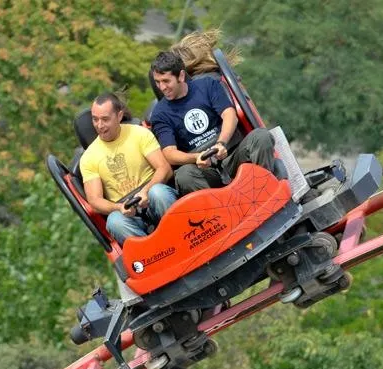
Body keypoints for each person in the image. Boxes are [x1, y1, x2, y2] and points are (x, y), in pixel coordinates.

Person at [149, 51, 279, 197]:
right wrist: (196, 157)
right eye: (157, 82)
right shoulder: (160, 113)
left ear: (181, 76)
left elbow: (229, 115)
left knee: (261, 136)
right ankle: (222, 208)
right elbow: (169, 153)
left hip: (232, 154)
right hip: (204, 169)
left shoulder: (207, 85)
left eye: (166, 81)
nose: (162, 87)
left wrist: (221, 143)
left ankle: (263, 191)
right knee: (184, 175)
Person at [79, 92, 178, 246]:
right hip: (128, 213)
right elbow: (95, 200)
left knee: (158, 192)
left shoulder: (139, 134)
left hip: (153, 198)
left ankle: (180, 235)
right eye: (95, 119)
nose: (99, 125)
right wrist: (119, 207)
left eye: (105, 119)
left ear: (119, 116)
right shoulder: (88, 158)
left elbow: (164, 168)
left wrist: (145, 191)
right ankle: (152, 251)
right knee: (114, 221)